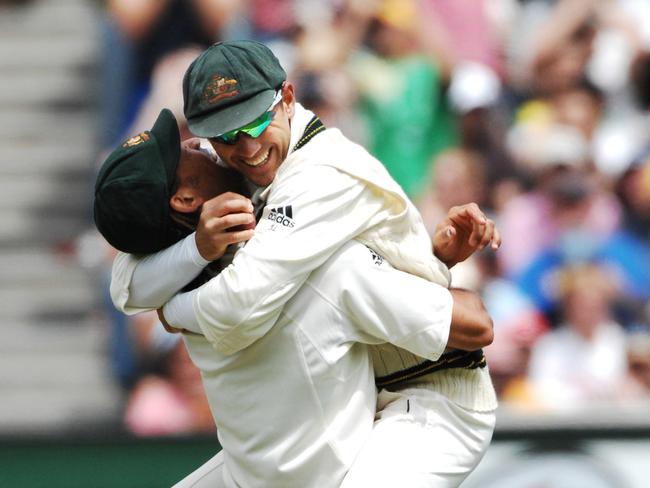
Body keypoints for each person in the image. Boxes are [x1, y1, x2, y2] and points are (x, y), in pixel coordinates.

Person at [159, 39, 500, 486]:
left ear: (286, 98)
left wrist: (170, 308)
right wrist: (436, 259)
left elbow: (239, 303)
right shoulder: (247, 168)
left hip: (431, 395)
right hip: (352, 402)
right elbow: (126, 271)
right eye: (225, 135)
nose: (245, 147)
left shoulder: (320, 173)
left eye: (255, 121)